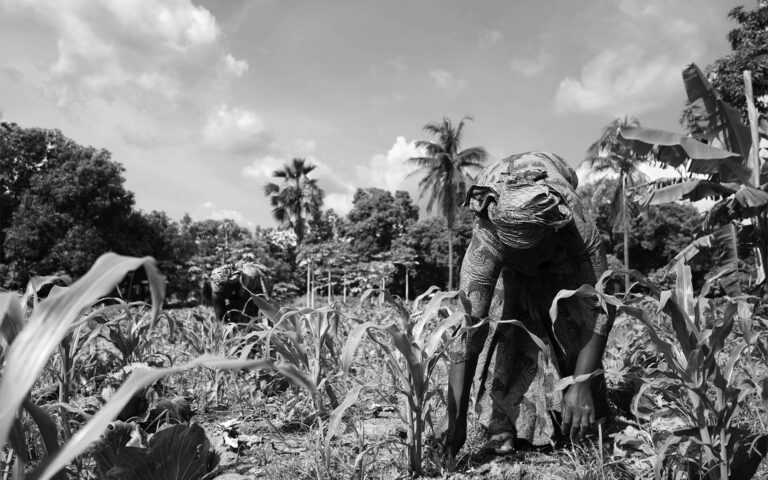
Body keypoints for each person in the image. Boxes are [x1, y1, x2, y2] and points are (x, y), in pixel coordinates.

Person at [439, 151, 613, 455]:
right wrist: (453, 415)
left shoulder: (575, 223)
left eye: (534, 250)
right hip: (507, 246)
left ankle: (579, 408)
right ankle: (503, 421)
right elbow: (469, 329)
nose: (530, 263)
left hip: (560, 254)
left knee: (570, 314)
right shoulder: (487, 237)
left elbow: (599, 305)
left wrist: (583, 382)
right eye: (521, 253)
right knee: (505, 314)